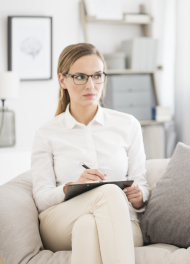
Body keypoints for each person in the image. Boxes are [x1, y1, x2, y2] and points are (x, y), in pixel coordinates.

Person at [31, 43, 150, 264]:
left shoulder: (128, 125)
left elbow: (141, 185)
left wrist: (139, 195)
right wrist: (70, 187)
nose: (91, 85)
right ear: (62, 80)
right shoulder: (46, 133)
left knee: (87, 226)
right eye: (80, 77)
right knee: (108, 192)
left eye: (97, 76)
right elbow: (42, 199)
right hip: (60, 221)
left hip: (123, 222)